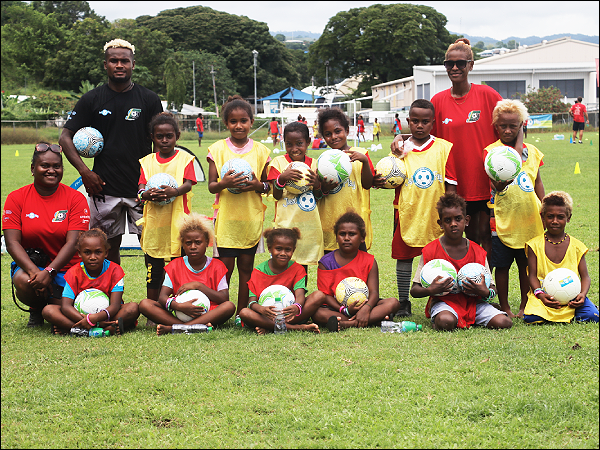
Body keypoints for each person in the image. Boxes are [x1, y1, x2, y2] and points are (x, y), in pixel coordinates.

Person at [392, 38, 502, 256]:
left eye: (460, 63)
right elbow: (423, 135)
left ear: (471, 65)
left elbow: (513, 125)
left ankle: (485, 287)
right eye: (449, 64)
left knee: (481, 237)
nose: (454, 68)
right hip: (448, 185)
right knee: (452, 241)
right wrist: (399, 137)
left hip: (480, 183)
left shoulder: (488, 95)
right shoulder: (438, 101)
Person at [59, 38, 163, 265]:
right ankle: (114, 298)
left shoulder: (149, 99)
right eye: (113, 60)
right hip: (104, 187)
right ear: (105, 64)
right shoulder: (91, 99)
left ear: (133, 64)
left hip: (142, 188)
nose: (119, 65)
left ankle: (153, 300)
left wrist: (156, 178)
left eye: (124, 61)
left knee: (152, 247)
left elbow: (161, 141)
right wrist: (85, 172)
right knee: (105, 248)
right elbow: (65, 137)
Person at [381, 99, 457, 318]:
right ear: (408, 122)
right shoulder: (399, 148)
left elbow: (451, 184)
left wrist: (448, 213)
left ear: (433, 123)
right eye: (415, 121)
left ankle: (440, 297)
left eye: (425, 121)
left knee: (438, 256)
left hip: (435, 212)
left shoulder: (444, 147)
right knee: (404, 256)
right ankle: (404, 301)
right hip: (406, 210)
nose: (420, 126)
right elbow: (389, 176)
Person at [3, 143, 90, 327]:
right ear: (33, 169)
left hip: (69, 268)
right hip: (33, 266)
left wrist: (50, 272)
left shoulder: (75, 198)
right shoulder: (16, 198)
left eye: (56, 166)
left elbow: (74, 242)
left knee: (76, 303)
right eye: (45, 166)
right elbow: (12, 243)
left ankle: (53, 308)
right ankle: (37, 310)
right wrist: (37, 273)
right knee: (24, 280)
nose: (51, 170)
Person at [207, 95, 271, 326]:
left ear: (251, 122)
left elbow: (267, 185)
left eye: (243, 120)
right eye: (233, 121)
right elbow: (212, 185)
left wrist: (257, 186)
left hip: (250, 219)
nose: (239, 125)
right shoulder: (217, 149)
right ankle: (218, 313)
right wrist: (225, 184)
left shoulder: (261, 151)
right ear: (226, 124)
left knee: (246, 270)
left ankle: (241, 315)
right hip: (226, 220)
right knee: (224, 271)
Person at [410, 193, 513, 331]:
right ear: (440, 224)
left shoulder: (478, 251)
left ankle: (477, 315)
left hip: (474, 303)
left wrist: (484, 292)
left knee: (504, 322)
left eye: (458, 219)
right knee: (446, 322)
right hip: (444, 303)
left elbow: (492, 289)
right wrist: (431, 290)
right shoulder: (430, 251)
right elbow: (414, 290)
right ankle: (442, 317)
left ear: (466, 220)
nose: (453, 224)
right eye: (447, 220)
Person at [486, 99, 545, 318]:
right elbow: (511, 163)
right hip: (502, 220)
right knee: (502, 266)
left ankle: (523, 305)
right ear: (496, 126)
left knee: (525, 266)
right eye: (503, 126)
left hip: (529, 219)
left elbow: (537, 182)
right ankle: (505, 307)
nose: (508, 130)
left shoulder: (533, 152)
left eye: (514, 125)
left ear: (522, 125)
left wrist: (545, 205)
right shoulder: (492, 152)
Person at [138, 213, 236, 335]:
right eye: (188, 243)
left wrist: (198, 286)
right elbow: (162, 297)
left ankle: (177, 328)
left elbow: (224, 298)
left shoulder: (217, 266)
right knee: (145, 304)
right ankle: (191, 327)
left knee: (229, 306)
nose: (193, 247)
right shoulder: (174, 266)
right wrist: (179, 307)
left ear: (207, 243)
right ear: (182, 245)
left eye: (198, 242)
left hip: (208, 313)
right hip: (179, 313)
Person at [137, 112, 197, 302]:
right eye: (159, 136)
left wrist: (175, 192)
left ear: (177, 136)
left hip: (178, 226)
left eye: (169, 136)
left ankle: (178, 306)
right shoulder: (147, 162)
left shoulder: (185, 159)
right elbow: (140, 188)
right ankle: (153, 310)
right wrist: (145, 195)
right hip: (155, 227)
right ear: (152, 138)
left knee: (178, 269)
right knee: (153, 271)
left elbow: (188, 184)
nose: (164, 140)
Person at [311, 212, 400, 332]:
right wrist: (345, 310)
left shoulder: (370, 261)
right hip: (336, 308)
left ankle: (347, 324)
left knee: (393, 303)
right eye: (342, 234)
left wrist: (366, 308)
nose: (346, 238)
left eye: (352, 234)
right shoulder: (325, 263)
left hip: (364, 306)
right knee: (317, 313)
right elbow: (325, 296)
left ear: (362, 238)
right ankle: (372, 320)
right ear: (336, 237)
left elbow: (374, 292)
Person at [42, 229, 140, 335]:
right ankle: (103, 330)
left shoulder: (115, 271)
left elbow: (115, 306)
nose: (93, 257)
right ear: (79, 253)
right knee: (48, 310)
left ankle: (74, 330)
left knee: (133, 308)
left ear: (106, 252)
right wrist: (89, 320)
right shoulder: (73, 273)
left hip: (108, 315)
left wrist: (94, 318)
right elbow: (66, 306)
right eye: (87, 252)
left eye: (98, 252)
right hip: (78, 316)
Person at [523, 191, 598, 324]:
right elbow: (532, 276)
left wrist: (582, 295)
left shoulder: (576, 246)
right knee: (531, 318)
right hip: (545, 297)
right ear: (543, 217)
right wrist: (540, 294)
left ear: (568, 218)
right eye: (550, 216)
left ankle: (570, 312)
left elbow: (585, 276)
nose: (555, 221)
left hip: (572, 299)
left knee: (593, 316)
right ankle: (564, 316)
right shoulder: (534, 245)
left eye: (560, 217)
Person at [239, 228, 322, 334]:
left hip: (291, 315)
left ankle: (270, 327)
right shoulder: (258, 271)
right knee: (244, 312)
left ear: (293, 249)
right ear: (269, 248)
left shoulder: (297, 269)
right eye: (278, 249)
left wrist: (297, 306)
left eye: (288, 250)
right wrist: (261, 310)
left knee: (319, 295)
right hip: (267, 316)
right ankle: (297, 328)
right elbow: (251, 302)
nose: (283, 253)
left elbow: (300, 294)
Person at [267, 121, 324, 271]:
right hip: (285, 225)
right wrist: (282, 178)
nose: (294, 149)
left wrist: (317, 184)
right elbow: (277, 195)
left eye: (299, 143)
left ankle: (300, 295)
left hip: (308, 227)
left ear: (308, 142)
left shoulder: (315, 165)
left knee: (301, 269)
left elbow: (319, 196)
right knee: (284, 265)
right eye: (289, 144)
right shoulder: (277, 163)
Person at [317, 107, 375, 252]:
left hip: (356, 223)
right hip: (330, 223)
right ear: (323, 137)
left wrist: (365, 162)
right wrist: (324, 188)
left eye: (338, 131)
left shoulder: (361, 154)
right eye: (328, 134)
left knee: (358, 265)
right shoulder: (323, 161)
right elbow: (317, 192)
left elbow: (368, 184)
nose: (334, 137)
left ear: (347, 131)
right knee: (331, 265)